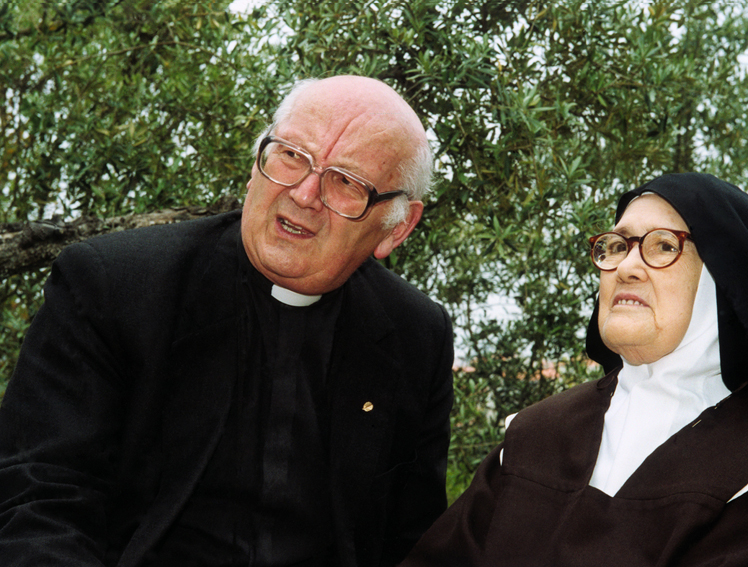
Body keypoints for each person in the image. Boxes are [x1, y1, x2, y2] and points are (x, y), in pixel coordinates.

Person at [0, 75, 454, 567]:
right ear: (254, 166)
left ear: (398, 227)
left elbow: (413, 543)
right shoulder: (114, 286)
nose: (303, 195)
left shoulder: (415, 336)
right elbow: (39, 501)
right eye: (291, 156)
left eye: (346, 181)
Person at [401, 173, 748, 566]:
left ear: (724, 281)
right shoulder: (538, 433)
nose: (627, 267)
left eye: (662, 246)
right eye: (616, 246)